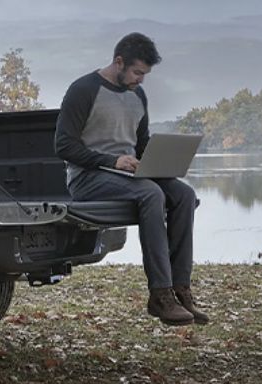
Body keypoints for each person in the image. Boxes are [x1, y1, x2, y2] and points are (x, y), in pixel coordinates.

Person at [54, 32, 207, 326]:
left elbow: (140, 144)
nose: (141, 79)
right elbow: (63, 146)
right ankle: (160, 295)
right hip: (88, 178)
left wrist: (159, 159)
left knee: (184, 195)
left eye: (145, 74)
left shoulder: (138, 95)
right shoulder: (83, 90)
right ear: (119, 62)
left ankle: (180, 288)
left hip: (127, 175)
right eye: (138, 72)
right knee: (151, 194)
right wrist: (111, 161)